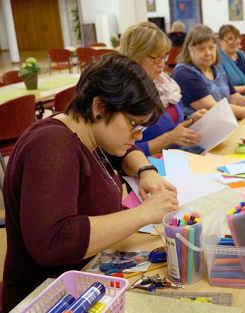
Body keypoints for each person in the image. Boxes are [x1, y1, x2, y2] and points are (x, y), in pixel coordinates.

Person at [2, 54, 180, 311]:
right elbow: (53, 242)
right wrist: (144, 214)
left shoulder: (89, 132)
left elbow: (127, 153)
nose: (137, 135)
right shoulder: (51, 147)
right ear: (100, 107)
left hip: (86, 283)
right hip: (48, 299)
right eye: (134, 124)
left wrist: (146, 171)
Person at [120, 21, 205, 155]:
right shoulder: (125, 95)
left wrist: (191, 119)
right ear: (134, 57)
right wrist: (169, 138)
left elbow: (172, 121)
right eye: (155, 58)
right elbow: (122, 152)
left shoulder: (165, 83)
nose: (162, 64)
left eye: (164, 56)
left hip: (177, 157)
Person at [171, 24, 245, 119]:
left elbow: (235, 98)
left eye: (211, 47)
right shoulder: (184, 73)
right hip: (199, 134)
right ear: (189, 49)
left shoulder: (217, 67)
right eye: (201, 49)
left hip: (225, 122)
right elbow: (213, 107)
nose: (208, 53)